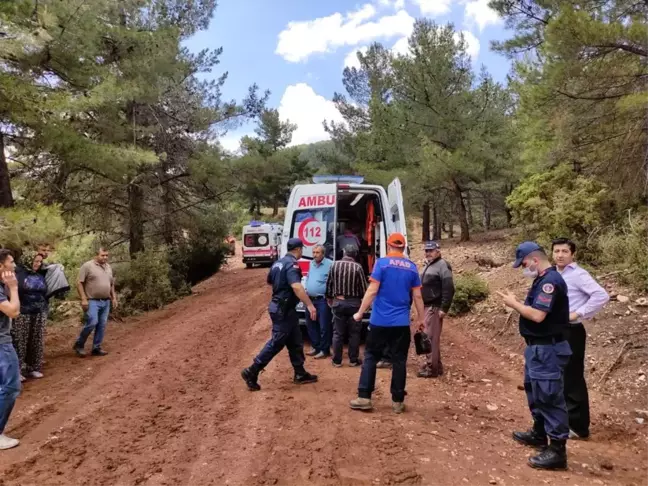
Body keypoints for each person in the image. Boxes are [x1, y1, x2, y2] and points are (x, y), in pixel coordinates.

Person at [498, 241, 571, 470]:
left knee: (549, 395)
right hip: (537, 348)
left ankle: (558, 451)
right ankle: (539, 433)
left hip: (547, 349)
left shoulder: (550, 282)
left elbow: (538, 316)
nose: (523, 268)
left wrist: (514, 304)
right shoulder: (542, 279)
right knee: (536, 391)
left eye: (524, 264)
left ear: (535, 259)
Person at [349, 233, 425, 414]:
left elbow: (372, 290)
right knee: (399, 361)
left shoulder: (381, 264)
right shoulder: (412, 268)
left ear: (389, 246)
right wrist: (421, 319)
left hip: (379, 322)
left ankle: (364, 397)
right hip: (401, 324)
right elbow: (418, 296)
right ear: (404, 247)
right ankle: (397, 402)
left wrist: (360, 313)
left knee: (370, 357)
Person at [241, 238, 319, 391]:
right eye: (301, 249)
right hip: (283, 310)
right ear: (297, 249)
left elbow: (270, 281)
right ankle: (252, 370)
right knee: (277, 342)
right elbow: (296, 287)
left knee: (295, 341)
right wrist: (309, 305)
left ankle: (300, 373)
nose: (302, 252)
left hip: (284, 309)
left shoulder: (278, 262)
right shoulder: (292, 265)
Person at [552, 237, 609, 440]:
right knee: (560, 376)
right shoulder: (553, 274)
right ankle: (564, 421)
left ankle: (579, 426)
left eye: (564, 251)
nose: (560, 255)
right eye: (557, 251)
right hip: (556, 330)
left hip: (572, 331)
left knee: (573, 377)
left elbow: (601, 295)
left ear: (572, 254)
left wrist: (578, 313)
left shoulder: (578, 275)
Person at [418, 241, 455, 378]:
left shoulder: (443, 265)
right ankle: (437, 367)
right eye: (426, 251)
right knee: (430, 337)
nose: (428, 253)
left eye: (431, 251)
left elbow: (449, 287)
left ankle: (431, 369)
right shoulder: (429, 265)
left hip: (434, 307)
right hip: (427, 306)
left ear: (438, 251)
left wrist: (444, 307)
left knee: (429, 338)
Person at [326, 245, 367, 367]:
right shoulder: (358, 267)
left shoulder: (334, 265)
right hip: (354, 303)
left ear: (343, 252)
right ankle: (353, 360)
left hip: (338, 302)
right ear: (355, 254)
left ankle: (337, 360)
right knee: (354, 333)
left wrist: (330, 299)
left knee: (337, 333)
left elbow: (329, 285)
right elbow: (364, 289)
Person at [73, 247, 118, 357]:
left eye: (107, 255)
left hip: (106, 301)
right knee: (92, 322)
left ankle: (96, 348)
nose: (105, 257)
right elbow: (79, 283)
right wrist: (83, 299)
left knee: (102, 325)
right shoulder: (87, 266)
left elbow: (111, 284)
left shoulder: (108, 267)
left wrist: (114, 298)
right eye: (102, 255)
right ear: (96, 255)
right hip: (92, 300)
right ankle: (79, 344)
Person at [12, 251, 48, 380]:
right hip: (23, 313)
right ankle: (18, 370)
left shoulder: (40, 275)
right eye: (35, 261)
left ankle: (33, 368)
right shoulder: (18, 275)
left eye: (40, 262)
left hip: (39, 312)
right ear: (27, 261)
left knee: (36, 340)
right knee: (20, 341)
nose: (38, 264)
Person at [0, 250, 22, 450]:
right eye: (11, 262)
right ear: (1, 267)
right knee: (11, 386)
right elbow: (14, 311)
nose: (14, 266)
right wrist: (14, 288)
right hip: (1, 344)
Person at [304, 245, 333, 359]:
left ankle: (324, 350)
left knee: (324, 326)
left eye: (317, 252)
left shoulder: (330, 264)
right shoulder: (311, 263)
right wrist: (307, 287)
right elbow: (308, 276)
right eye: (313, 252)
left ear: (323, 254)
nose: (315, 255)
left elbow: (333, 281)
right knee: (311, 324)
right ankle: (316, 347)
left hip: (322, 300)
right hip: (310, 300)